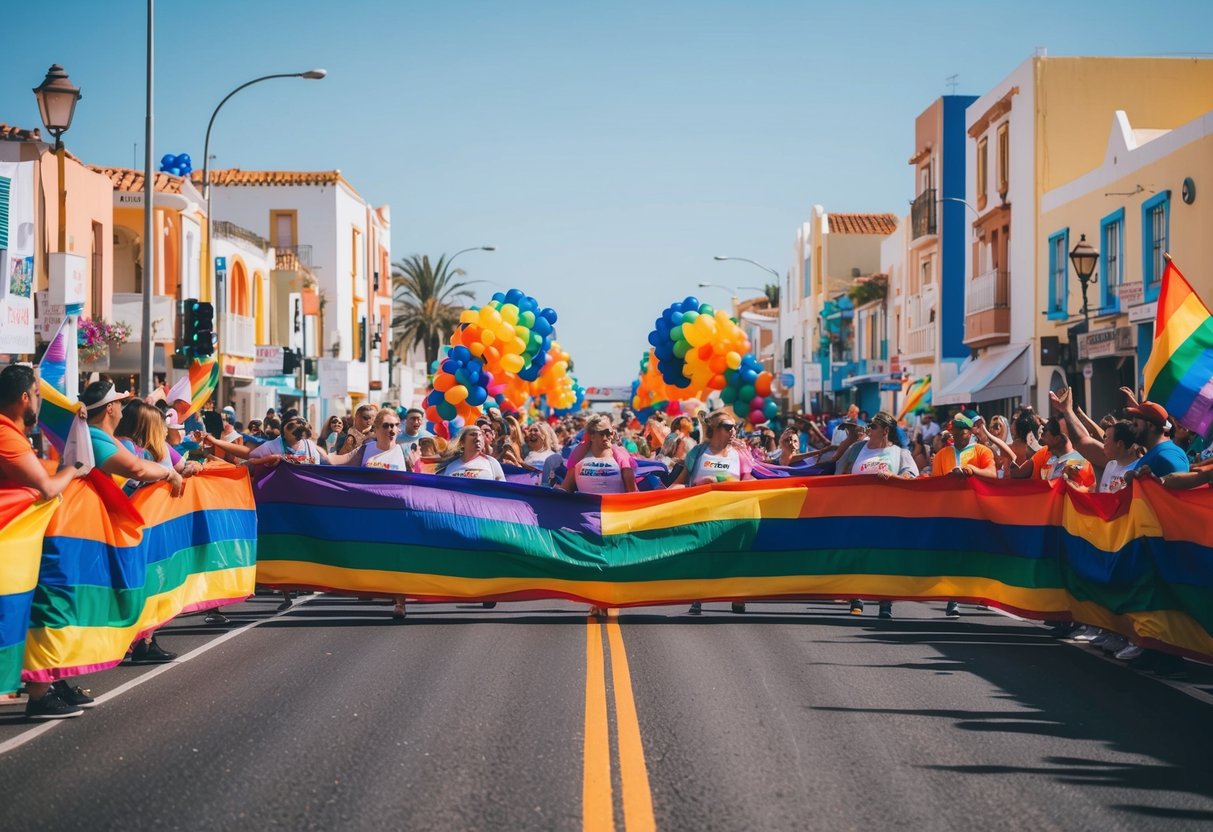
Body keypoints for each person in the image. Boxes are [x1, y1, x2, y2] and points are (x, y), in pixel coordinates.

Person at [0, 366, 92, 719]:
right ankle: (39, 693)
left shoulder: (13, 432)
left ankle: (45, 685)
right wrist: (75, 469)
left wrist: (72, 416)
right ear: (25, 398)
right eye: (36, 394)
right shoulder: (6, 436)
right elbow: (47, 487)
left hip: (20, 543)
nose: (38, 399)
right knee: (28, 610)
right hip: (12, 543)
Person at [114, 401, 203, 663]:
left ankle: (147, 641)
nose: (165, 428)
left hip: (159, 525)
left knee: (156, 580)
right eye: (160, 424)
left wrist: (192, 467)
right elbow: (132, 479)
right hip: (132, 526)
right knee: (140, 582)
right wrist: (166, 475)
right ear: (147, 425)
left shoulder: (162, 449)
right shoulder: (127, 448)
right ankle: (134, 640)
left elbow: (180, 468)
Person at [835, 411, 919, 619]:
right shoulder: (857, 449)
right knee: (858, 556)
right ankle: (857, 598)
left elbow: (911, 476)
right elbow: (838, 472)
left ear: (886, 430)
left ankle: (885, 602)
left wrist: (894, 476)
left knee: (884, 558)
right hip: (857, 513)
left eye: (873, 426)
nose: (869, 429)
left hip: (887, 515)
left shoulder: (900, 453)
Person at [670, 410, 754, 614]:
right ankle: (698, 597)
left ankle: (738, 596)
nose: (733, 430)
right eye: (728, 427)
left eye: (735, 427)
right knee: (703, 555)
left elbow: (748, 481)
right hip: (702, 514)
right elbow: (681, 482)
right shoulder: (698, 452)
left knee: (734, 555)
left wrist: (720, 481)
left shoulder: (740, 453)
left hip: (733, 514)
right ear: (714, 429)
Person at [560, 414, 637, 617]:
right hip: (586, 518)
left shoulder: (620, 456)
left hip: (614, 517)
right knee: (593, 563)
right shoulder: (579, 456)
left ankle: (605, 599)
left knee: (611, 562)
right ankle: (597, 600)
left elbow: (633, 491)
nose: (609, 435)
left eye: (610, 432)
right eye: (603, 432)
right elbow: (566, 488)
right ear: (591, 435)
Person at [329, 409, 411, 471]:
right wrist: (319, 452)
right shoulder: (364, 450)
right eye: (386, 426)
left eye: (395, 426)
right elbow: (336, 462)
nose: (392, 431)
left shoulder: (406, 451)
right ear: (376, 429)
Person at [248, 415, 329, 466]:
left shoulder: (309, 446)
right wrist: (267, 463)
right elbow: (252, 461)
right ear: (283, 431)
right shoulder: (270, 446)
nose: (297, 427)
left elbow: (317, 466)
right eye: (291, 426)